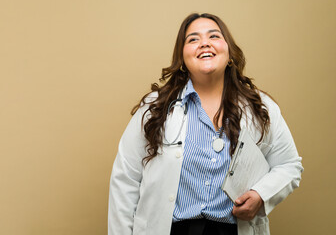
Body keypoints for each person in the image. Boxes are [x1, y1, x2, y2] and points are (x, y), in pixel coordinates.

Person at [108, 13, 303, 235]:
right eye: (193, 39)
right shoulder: (155, 108)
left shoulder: (260, 108)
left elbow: (289, 165)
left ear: (229, 52)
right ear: (182, 58)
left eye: (214, 36)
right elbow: (125, 180)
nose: (204, 43)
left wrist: (261, 195)